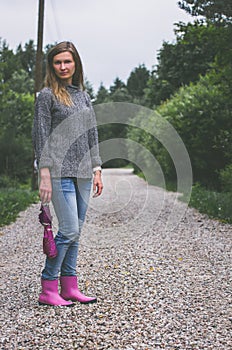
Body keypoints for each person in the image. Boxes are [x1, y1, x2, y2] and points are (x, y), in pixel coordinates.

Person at [32, 41, 103, 307]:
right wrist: (45, 174)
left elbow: (92, 134)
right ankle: (48, 286)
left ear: (75, 64)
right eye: (58, 62)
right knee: (69, 229)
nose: (63, 66)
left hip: (84, 172)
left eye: (67, 61)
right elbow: (40, 137)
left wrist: (97, 169)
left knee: (76, 232)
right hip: (59, 171)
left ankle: (69, 286)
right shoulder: (47, 96)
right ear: (52, 65)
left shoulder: (83, 96)